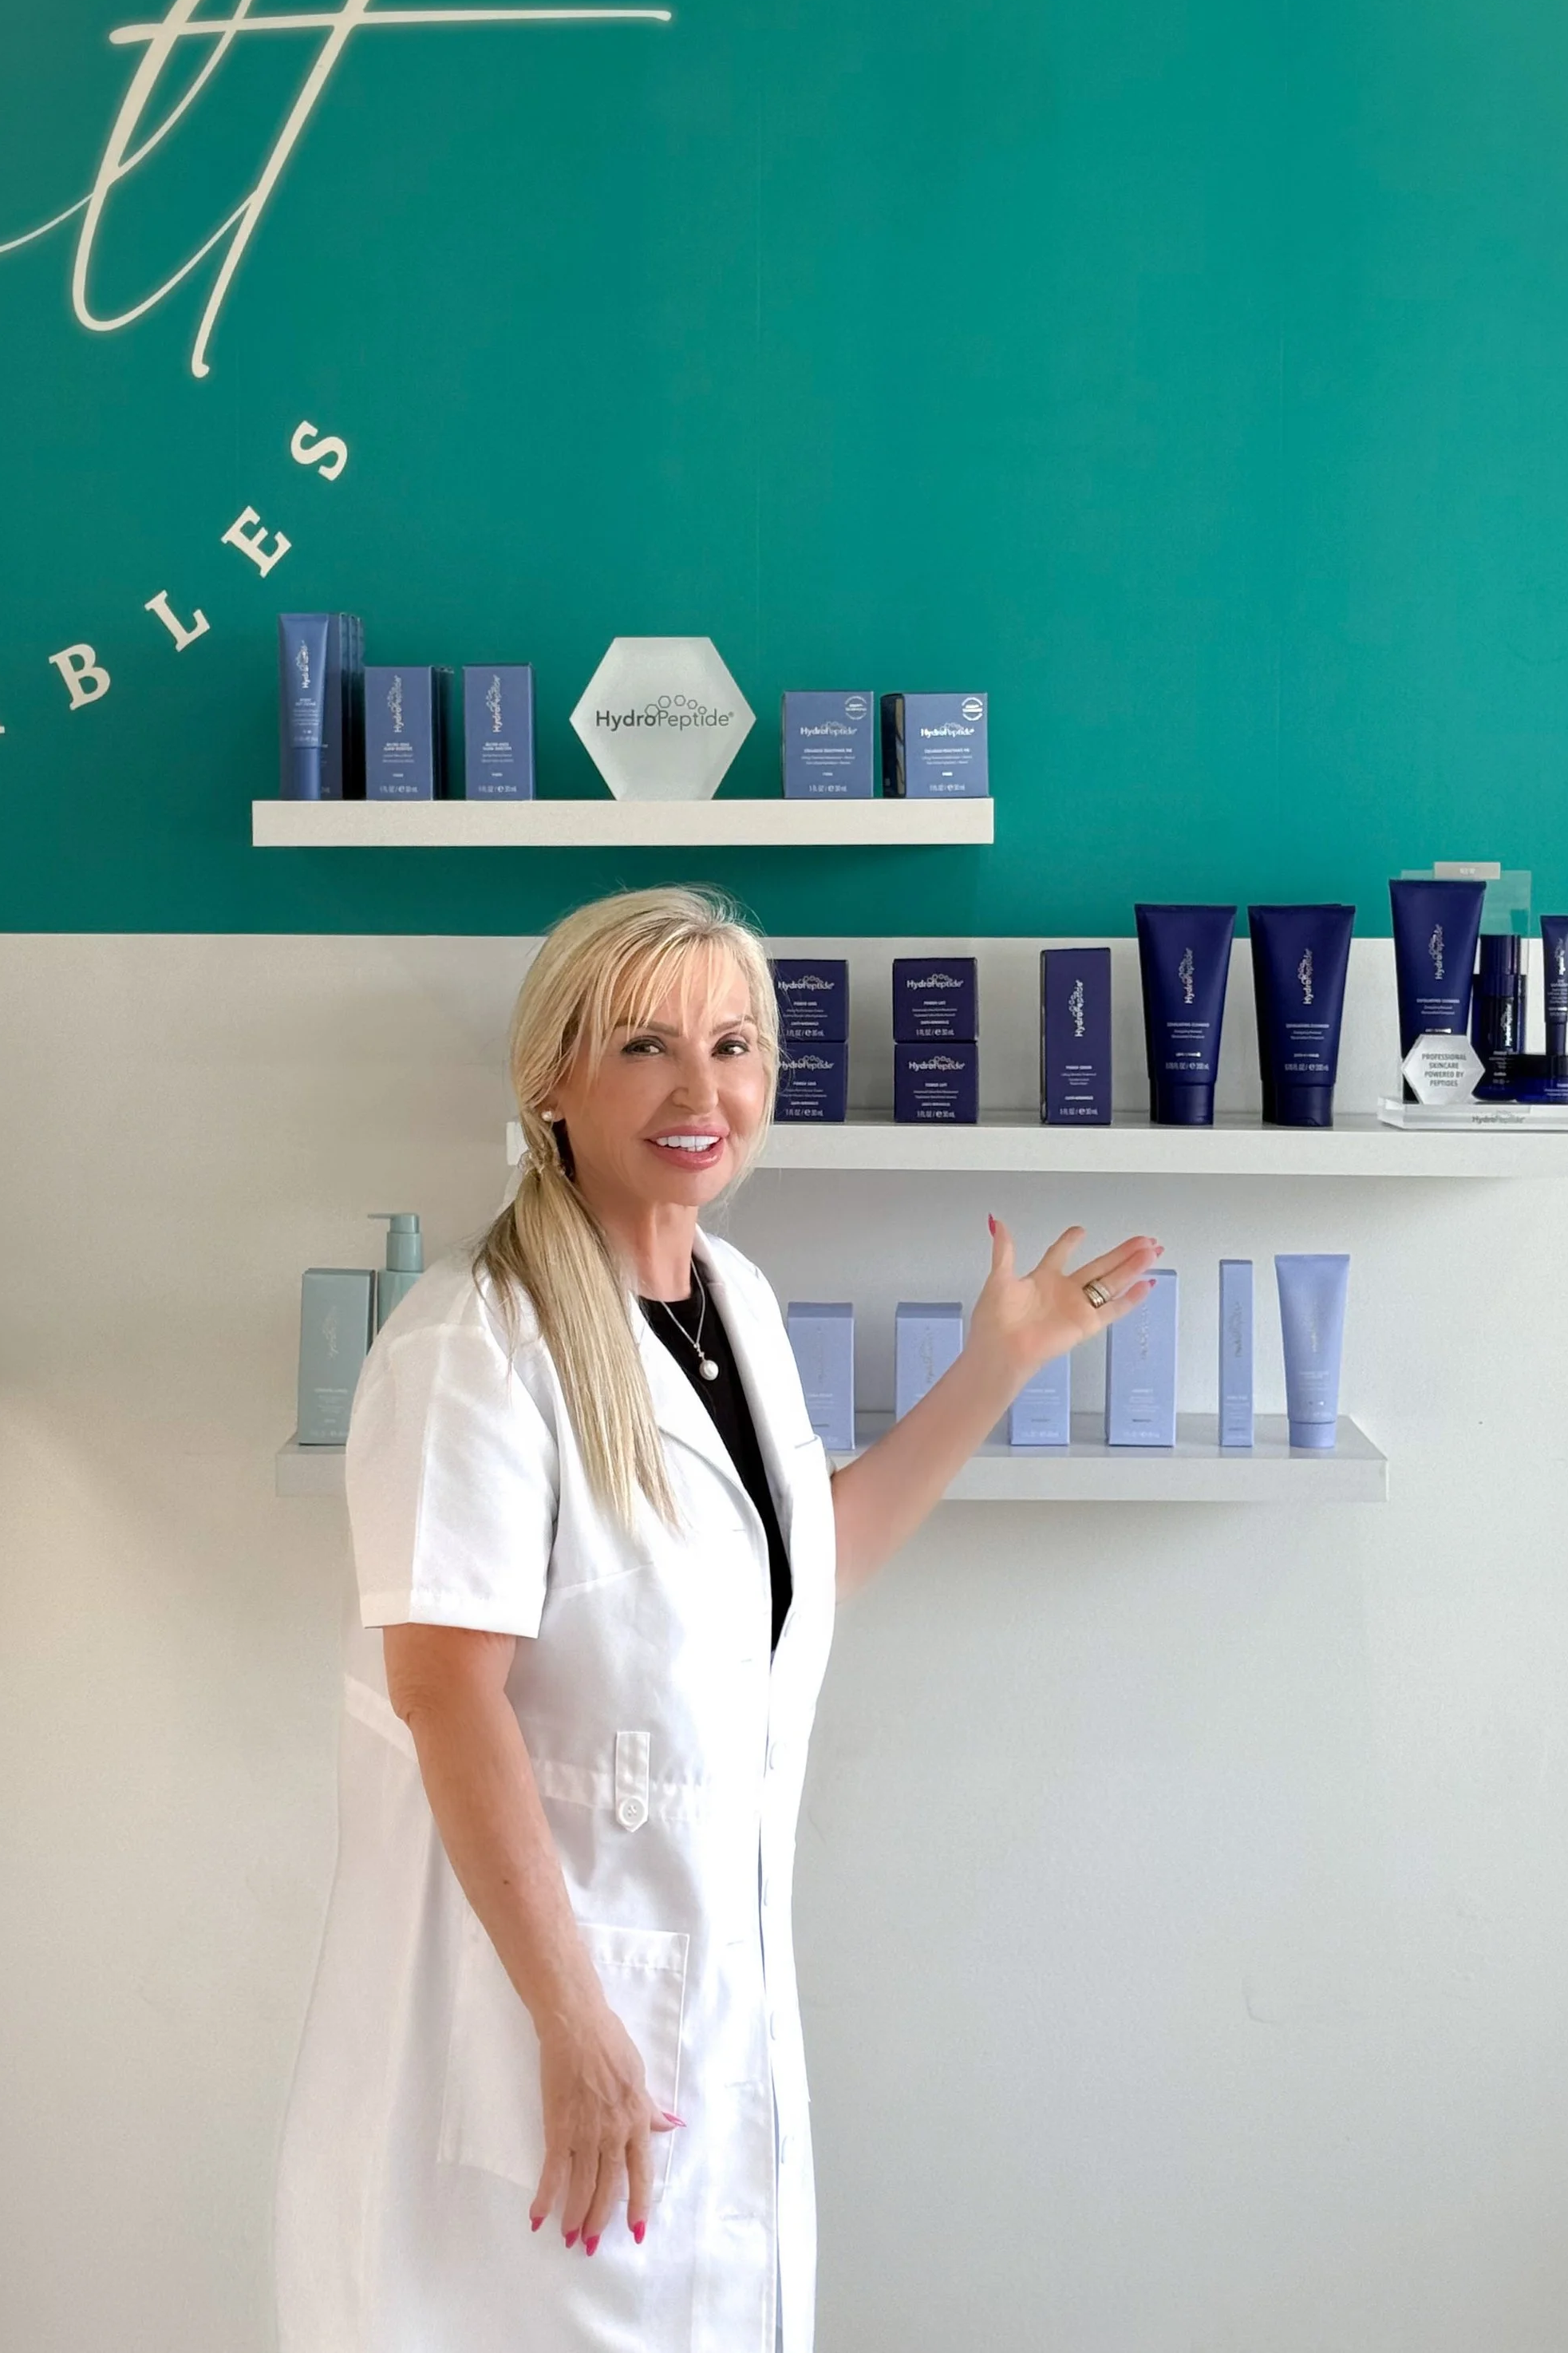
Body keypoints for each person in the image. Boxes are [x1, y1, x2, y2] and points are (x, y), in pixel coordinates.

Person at [274, 886, 1160, 2353]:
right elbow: (446, 1696)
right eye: (644, 1045)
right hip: (535, 2046)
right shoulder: (471, 1345)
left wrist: (1000, 1363)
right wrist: (572, 2025)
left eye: (736, 1044)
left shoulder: (734, 1303)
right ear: (552, 1078)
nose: (703, 1091)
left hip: (699, 2021)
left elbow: (811, 1570)